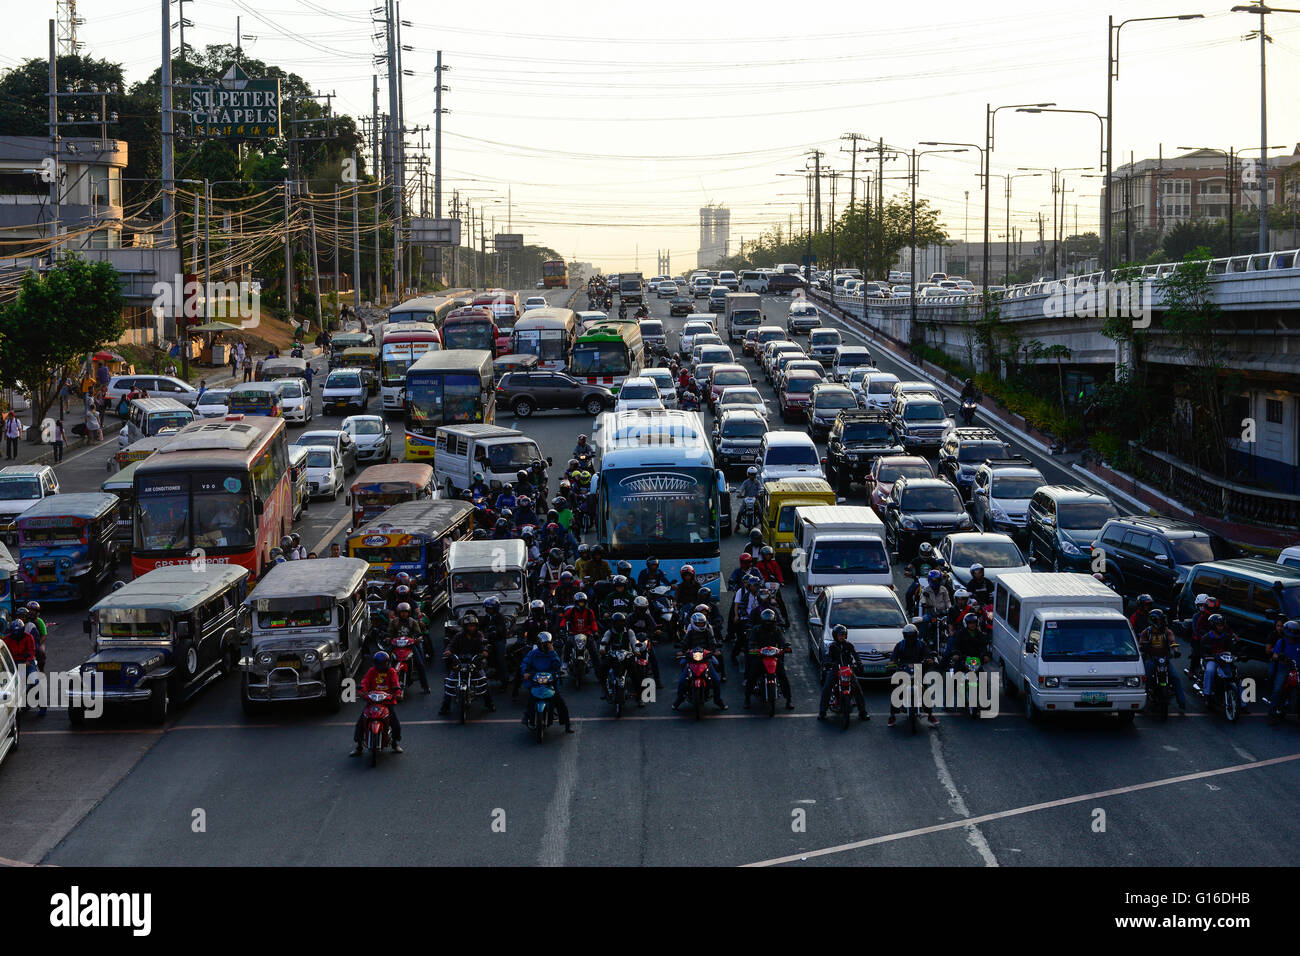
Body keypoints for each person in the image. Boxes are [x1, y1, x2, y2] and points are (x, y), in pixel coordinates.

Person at [440, 613, 495, 715]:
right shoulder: (458, 636)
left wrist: (484, 651)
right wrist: (448, 651)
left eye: (473, 625)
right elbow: (451, 645)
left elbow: (484, 645)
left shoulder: (479, 635)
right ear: (465, 626)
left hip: (475, 663)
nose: (472, 628)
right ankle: (445, 707)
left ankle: (489, 704)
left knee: (484, 682)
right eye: (470, 625)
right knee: (450, 683)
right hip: (460, 663)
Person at [350, 651, 403, 755]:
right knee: (360, 723)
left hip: (386, 702)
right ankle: (359, 746)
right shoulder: (371, 671)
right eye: (381, 663)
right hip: (372, 701)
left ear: (388, 662)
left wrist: (398, 693)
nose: (383, 665)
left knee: (395, 724)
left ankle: (395, 743)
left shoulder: (392, 672)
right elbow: (364, 682)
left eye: (385, 663)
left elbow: (395, 684)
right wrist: (361, 691)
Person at [521, 633, 574, 732]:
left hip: (550, 682)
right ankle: (527, 716)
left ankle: (567, 724)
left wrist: (552, 652)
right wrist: (525, 673)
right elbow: (525, 663)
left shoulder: (552, 653)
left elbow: (557, 665)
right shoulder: (533, 653)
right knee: (531, 699)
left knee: (560, 703)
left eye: (549, 643)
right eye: (545, 643)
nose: (547, 645)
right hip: (536, 681)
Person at [743, 607, 793, 710]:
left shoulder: (776, 630)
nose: (768, 624)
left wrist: (785, 648)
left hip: (773, 657)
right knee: (751, 676)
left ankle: (788, 700)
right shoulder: (756, 629)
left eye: (770, 622)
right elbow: (751, 642)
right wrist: (753, 649)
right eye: (766, 622)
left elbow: (782, 641)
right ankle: (747, 699)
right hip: (760, 657)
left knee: (783, 677)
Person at [889, 624, 938, 726]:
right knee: (896, 689)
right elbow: (894, 656)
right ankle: (892, 715)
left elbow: (927, 653)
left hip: (919, 670)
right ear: (904, 636)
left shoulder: (921, 644)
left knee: (925, 689)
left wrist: (929, 659)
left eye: (912, 635)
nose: (910, 638)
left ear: (916, 635)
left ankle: (930, 715)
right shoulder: (900, 645)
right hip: (903, 671)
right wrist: (892, 662)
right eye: (908, 636)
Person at [1138, 608, 1186, 713]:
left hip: (1164, 659)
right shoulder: (1146, 632)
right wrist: (1143, 647)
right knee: (1146, 679)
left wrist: (1176, 651)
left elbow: (1172, 641)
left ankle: (1182, 702)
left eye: (1161, 620)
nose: (1161, 622)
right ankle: (1142, 702)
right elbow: (1141, 643)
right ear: (1153, 620)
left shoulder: (1167, 631)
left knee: (1175, 677)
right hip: (1151, 659)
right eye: (1159, 620)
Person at [819, 624, 869, 721]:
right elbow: (827, 657)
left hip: (847, 669)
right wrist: (827, 663)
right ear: (835, 636)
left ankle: (863, 712)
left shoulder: (849, 645)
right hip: (835, 669)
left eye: (844, 635)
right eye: (840, 635)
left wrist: (859, 663)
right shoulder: (831, 646)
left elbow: (856, 655)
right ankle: (822, 712)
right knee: (827, 688)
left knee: (857, 689)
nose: (842, 637)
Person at [388, 602, 431, 693]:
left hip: (410, 645)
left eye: (405, 612)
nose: (404, 614)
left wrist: (417, 639)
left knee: (420, 664)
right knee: (384, 659)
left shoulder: (413, 622)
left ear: (409, 612)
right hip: (396, 645)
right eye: (402, 612)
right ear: (398, 612)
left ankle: (425, 686)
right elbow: (390, 633)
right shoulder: (394, 622)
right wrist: (388, 638)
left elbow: (418, 633)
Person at [1198, 613, 1237, 707]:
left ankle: (1240, 701)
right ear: (1213, 626)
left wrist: (1236, 655)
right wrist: (1210, 656)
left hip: (1224, 661)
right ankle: (1207, 694)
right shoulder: (1206, 638)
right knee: (1210, 670)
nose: (1221, 627)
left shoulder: (1227, 637)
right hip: (1212, 660)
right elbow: (1202, 653)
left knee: (1232, 674)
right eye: (1219, 625)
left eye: (1222, 625)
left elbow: (1232, 650)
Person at [1268, 619, 1300, 723]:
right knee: (1278, 689)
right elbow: (1274, 655)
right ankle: (1271, 714)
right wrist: (1280, 657)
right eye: (1291, 633)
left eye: (1295, 633)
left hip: (1297, 669)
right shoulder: (1281, 642)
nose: (1292, 636)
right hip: (1284, 668)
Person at [919, 569, 953, 650]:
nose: (935, 581)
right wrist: (924, 603)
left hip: (943, 613)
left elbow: (947, 601)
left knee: (951, 623)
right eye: (933, 580)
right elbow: (923, 600)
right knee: (924, 620)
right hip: (931, 613)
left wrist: (950, 609)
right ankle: (921, 640)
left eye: (937, 580)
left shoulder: (943, 589)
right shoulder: (926, 590)